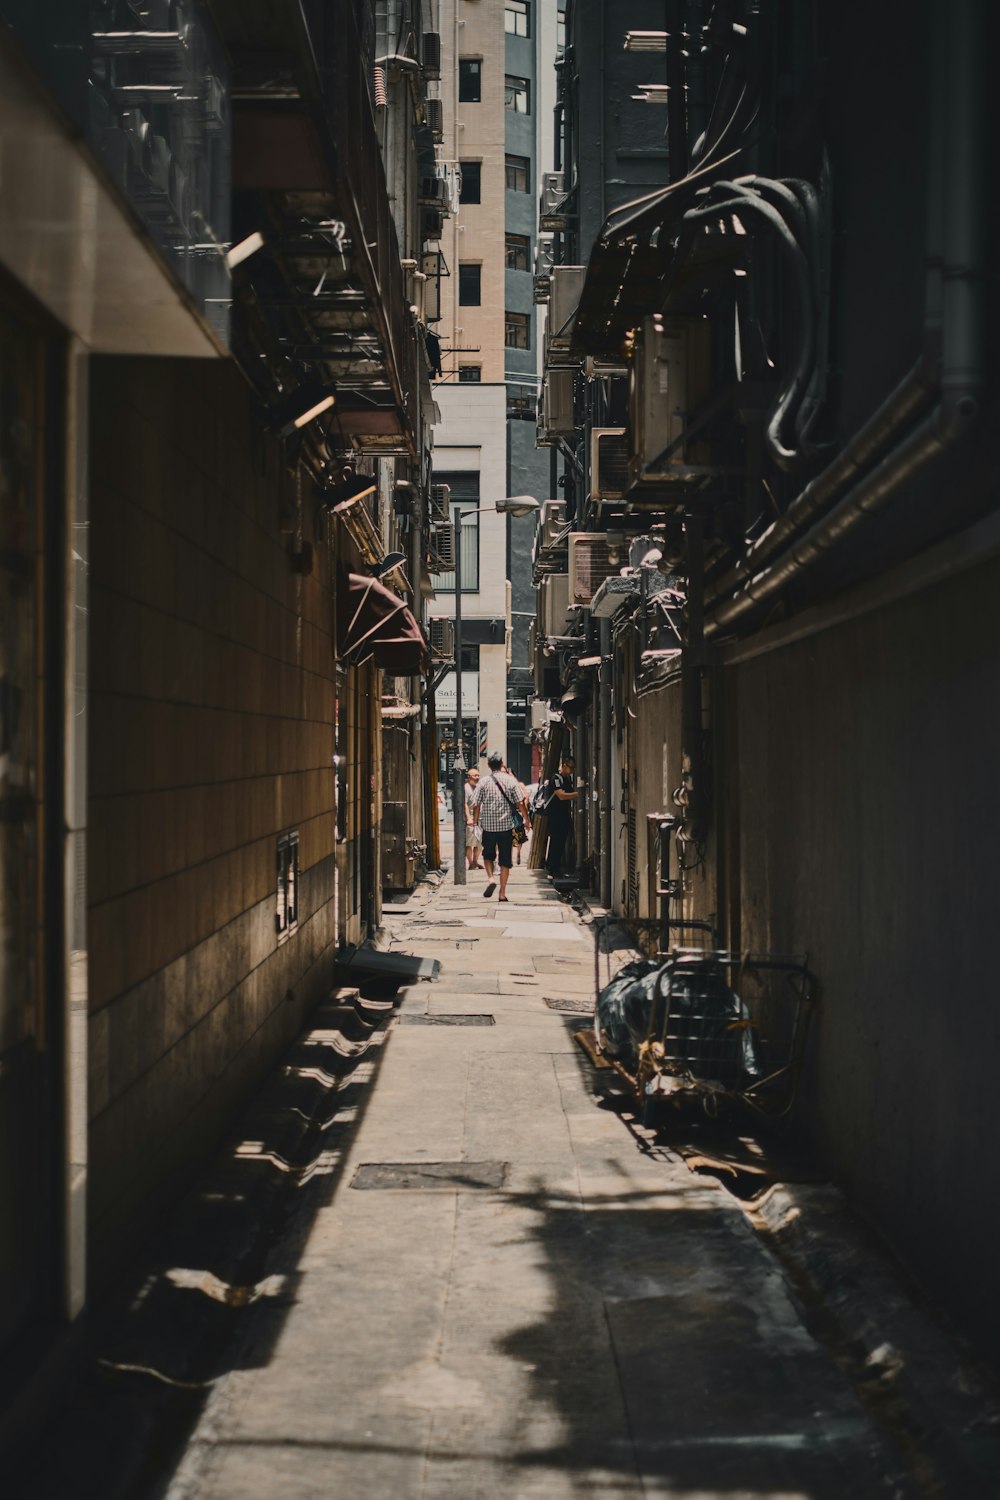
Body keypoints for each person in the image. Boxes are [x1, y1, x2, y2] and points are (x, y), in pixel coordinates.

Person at [470, 752, 528, 902]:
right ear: (502, 763)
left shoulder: (483, 782)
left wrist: (475, 822)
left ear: (489, 766)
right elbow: (520, 803)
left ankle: (490, 879)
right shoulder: (511, 781)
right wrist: (527, 820)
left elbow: (475, 804)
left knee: (488, 856)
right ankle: (502, 893)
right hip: (506, 827)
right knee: (505, 861)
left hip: (488, 827)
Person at [545, 755, 579, 879]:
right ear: (564, 765)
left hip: (564, 815)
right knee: (556, 842)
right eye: (570, 767)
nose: (572, 770)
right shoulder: (556, 779)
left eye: (573, 768)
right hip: (555, 816)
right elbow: (561, 795)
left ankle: (555, 868)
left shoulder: (567, 779)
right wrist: (577, 794)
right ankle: (552, 868)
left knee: (561, 842)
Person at [464, 767, 483, 870]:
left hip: (480, 818)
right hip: (471, 817)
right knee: (470, 842)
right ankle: (470, 862)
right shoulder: (466, 788)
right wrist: (468, 818)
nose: (477, 777)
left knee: (479, 843)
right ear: (469, 777)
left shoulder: (479, 787)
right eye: (475, 775)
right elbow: (465, 804)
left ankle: (475, 861)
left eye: (478, 775)